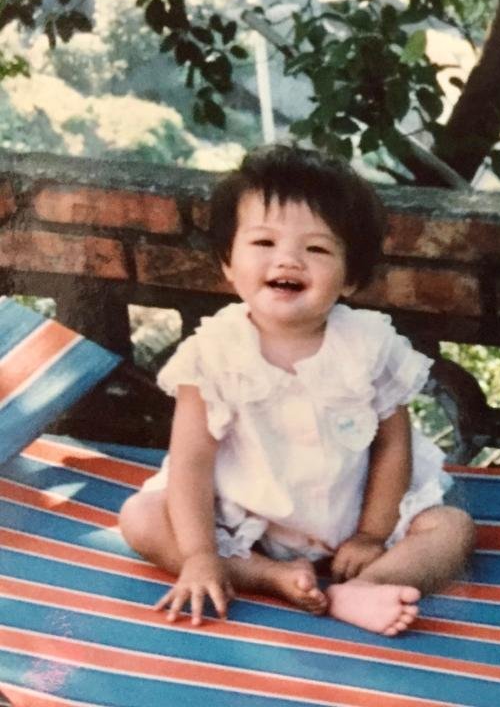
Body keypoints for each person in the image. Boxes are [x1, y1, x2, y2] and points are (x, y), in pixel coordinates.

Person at [118, 144, 475, 637]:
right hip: (247, 524)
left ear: (350, 277)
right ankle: (267, 577)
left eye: (317, 248)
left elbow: (394, 445)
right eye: (263, 243)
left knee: (452, 529)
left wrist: (372, 535)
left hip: (353, 519)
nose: (288, 259)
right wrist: (200, 555)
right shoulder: (212, 355)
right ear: (228, 263)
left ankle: (367, 586)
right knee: (140, 517)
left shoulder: (371, 345)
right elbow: (191, 463)